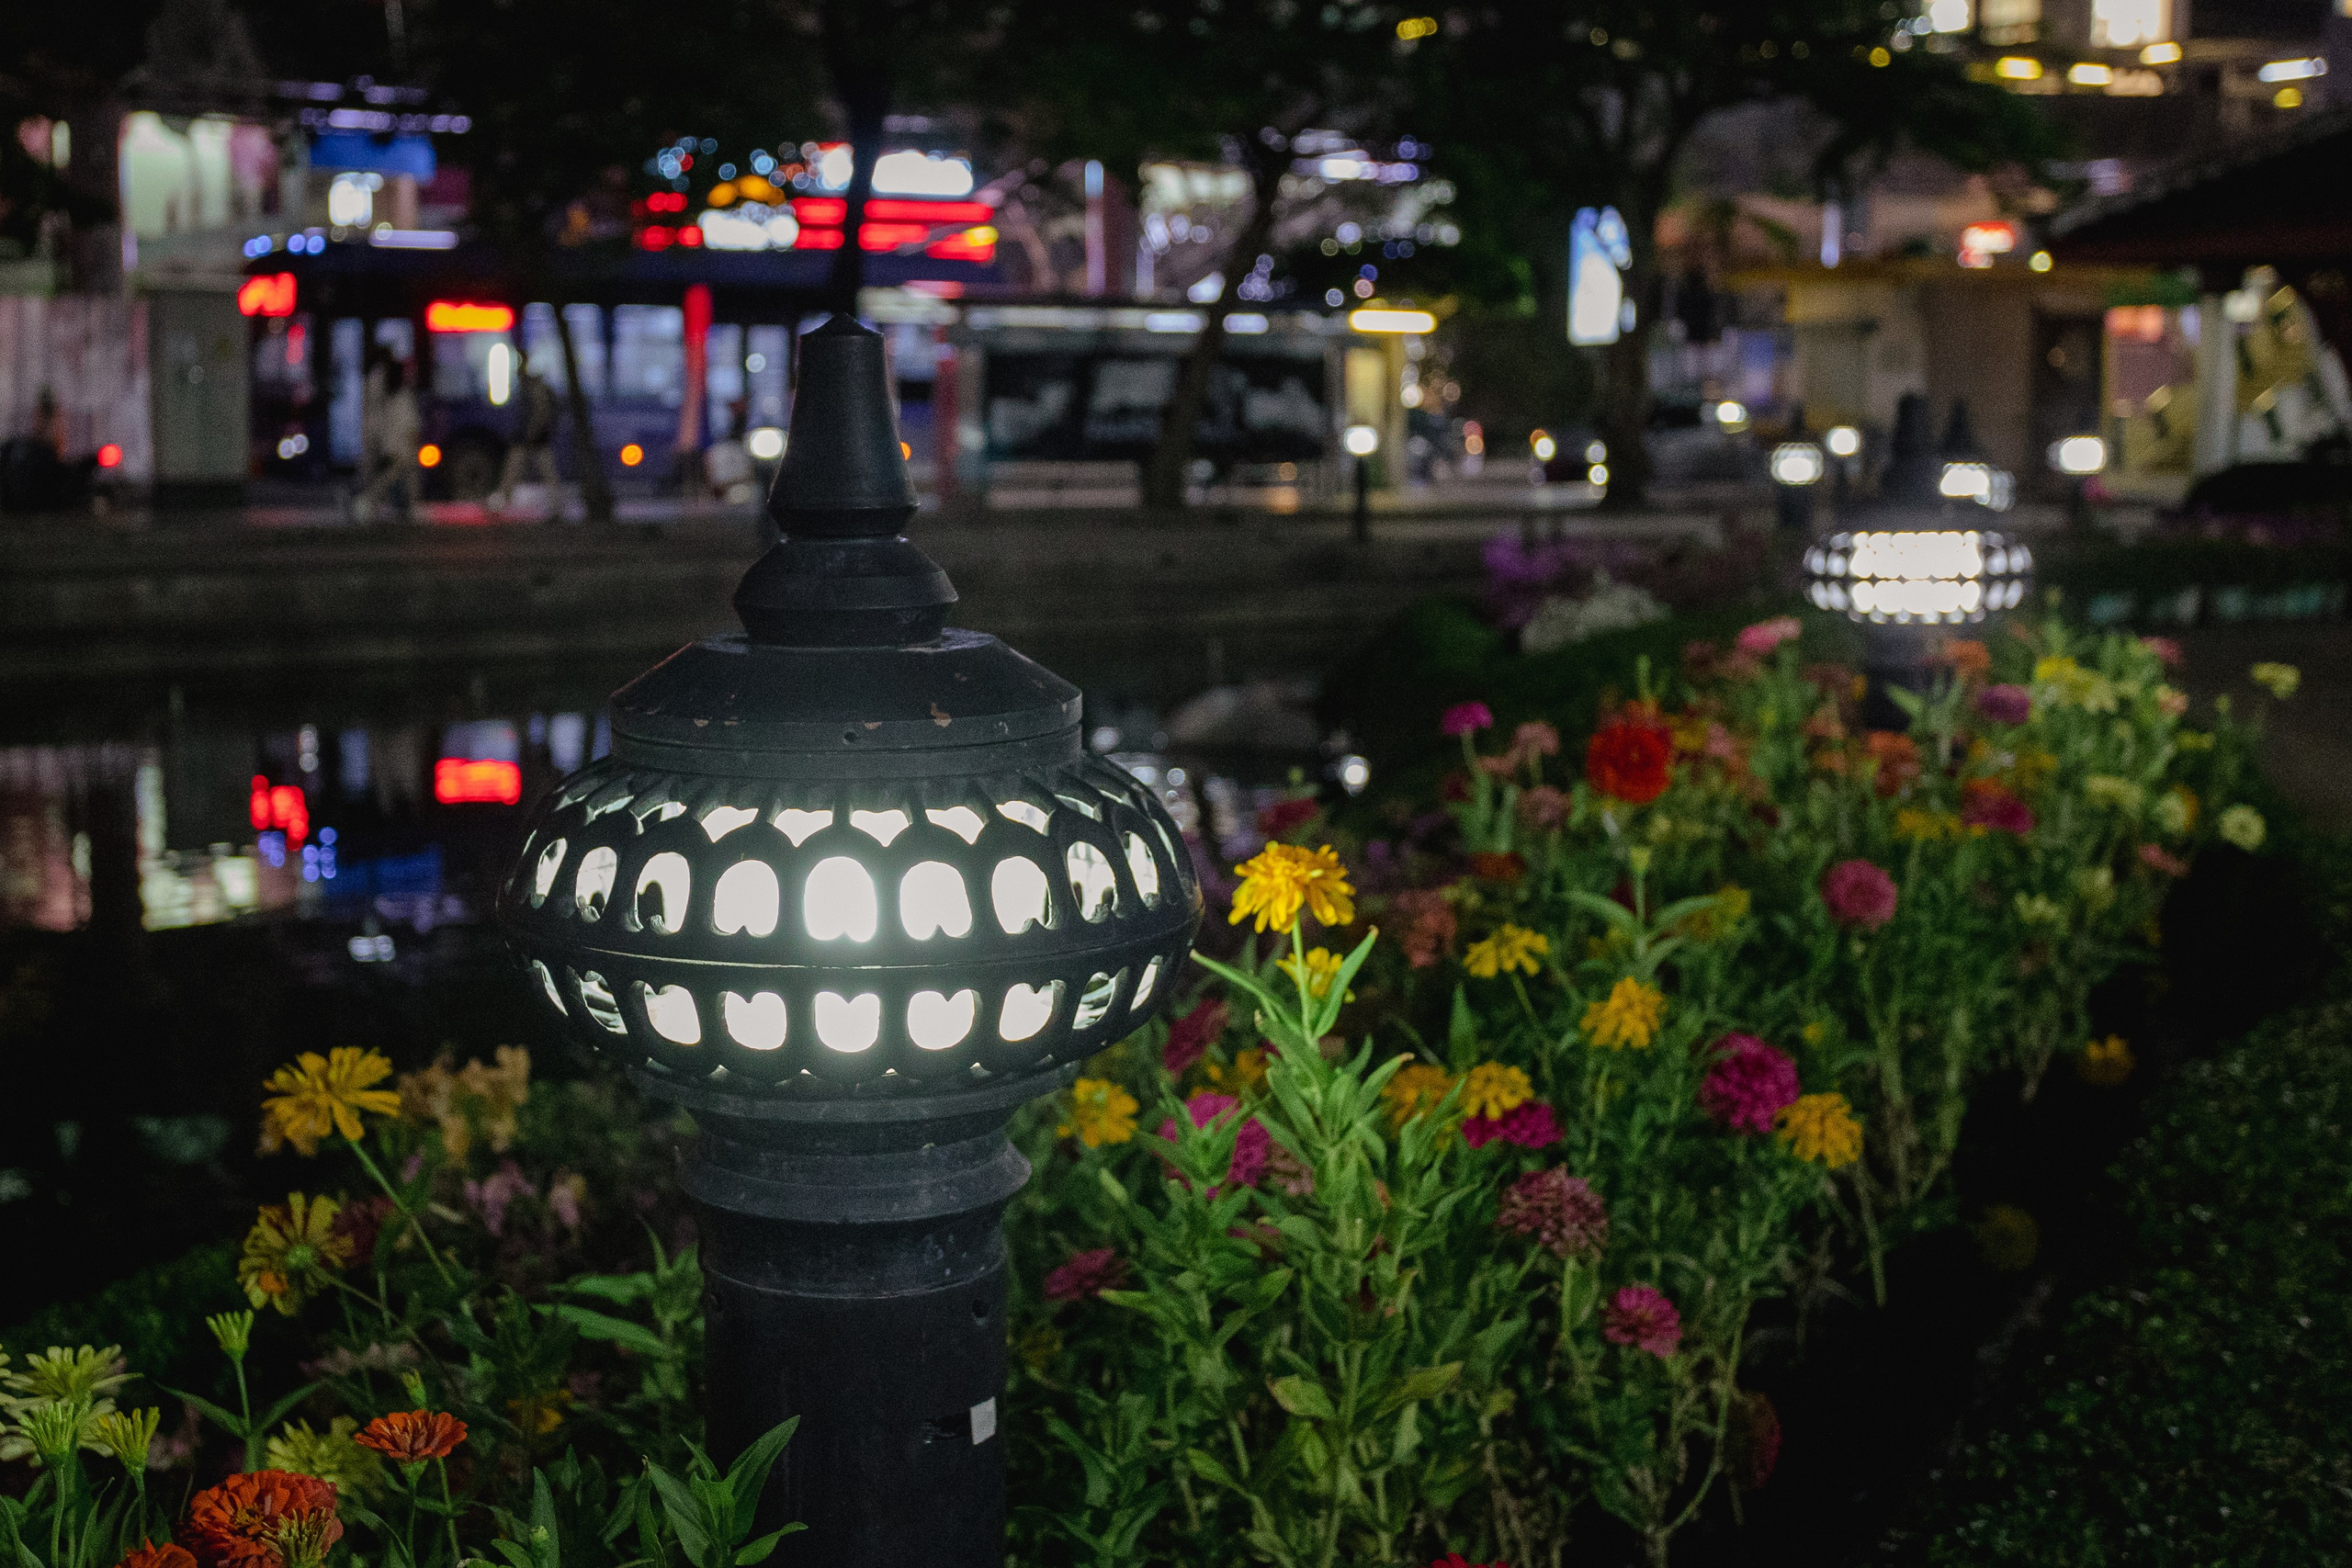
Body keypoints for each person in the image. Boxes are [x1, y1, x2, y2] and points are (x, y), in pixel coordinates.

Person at [492, 358, 563, 518]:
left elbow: (541, 414)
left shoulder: (534, 389)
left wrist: (531, 434)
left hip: (535, 439)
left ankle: (557, 506)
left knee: (545, 472)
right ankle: (501, 502)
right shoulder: (529, 388)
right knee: (514, 470)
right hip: (530, 438)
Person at [356, 358, 422, 523]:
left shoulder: (387, 398)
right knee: (392, 481)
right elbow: (411, 426)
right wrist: (414, 448)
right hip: (401, 449)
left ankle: (396, 508)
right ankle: (365, 505)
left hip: (389, 446)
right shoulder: (403, 397)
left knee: (390, 480)